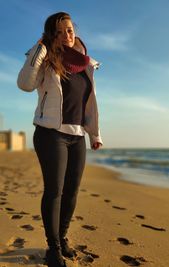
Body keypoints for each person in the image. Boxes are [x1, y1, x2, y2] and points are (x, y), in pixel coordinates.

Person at [17, 12, 103, 267]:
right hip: (50, 134)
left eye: (69, 30)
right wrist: (40, 48)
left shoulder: (86, 63)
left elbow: (89, 103)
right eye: (60, 32)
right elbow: (24, 84)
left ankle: (62, 237)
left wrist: (95, 134)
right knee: (54, 191)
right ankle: (53, 246)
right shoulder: (44, 59)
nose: (67, 35)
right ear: (51, 36)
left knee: (72, 192)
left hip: (77, 136)